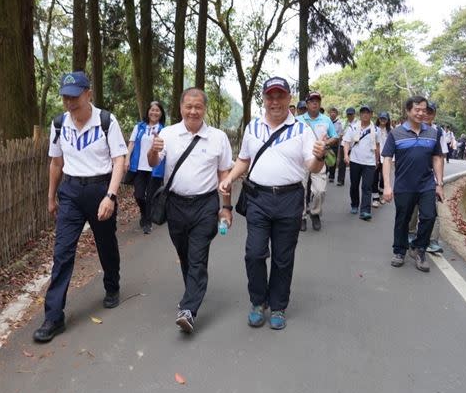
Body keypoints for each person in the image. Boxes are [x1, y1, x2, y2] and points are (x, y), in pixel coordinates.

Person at [219, 77, 325, 330]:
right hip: (258, 198)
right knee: (254, 253)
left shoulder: (301, 130)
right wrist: (230, 178)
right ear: (264, 100)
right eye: (270, 96)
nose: (275, 101)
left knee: (283, 257)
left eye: (280, 96)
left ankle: (278, 306)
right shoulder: (253, 127)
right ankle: (258, 301)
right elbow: (244, 160)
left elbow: (313, 165)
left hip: (290, 199)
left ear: (289, 99)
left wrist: (320, 157)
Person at [34, 72, 128, 343]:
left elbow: (119, 160)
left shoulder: (107, 122)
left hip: (100, 189)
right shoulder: (59, 124)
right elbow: (55, 163)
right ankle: (53, 317)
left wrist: (110, 196)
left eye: (75, 96)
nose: (70, 102)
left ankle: (112, 286)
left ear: (88, 94)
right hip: (71, 193)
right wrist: (52, 197)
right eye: (65, 97)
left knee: (106, 243)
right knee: (62, 252)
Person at [148, 88, 233, 334]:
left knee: (197, 255)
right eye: (189, 106)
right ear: (181, 108)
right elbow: (153, 163)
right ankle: (192, 292)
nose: (193, 111)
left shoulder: (218, 138)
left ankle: (188, 309)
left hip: (205, 205)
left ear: (204, 109)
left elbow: (224, 175)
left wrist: (226, 207)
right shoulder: (168, 133)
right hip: (175, 204)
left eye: (198, 107)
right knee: (184, 253)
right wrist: (153, 150)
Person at [380, 95, 444, 273]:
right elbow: (386, 159)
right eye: (417, 109)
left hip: (426, 185)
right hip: (404, 185)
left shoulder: (433, 133)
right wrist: (387, 185)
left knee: (429, 217)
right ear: (408, 111)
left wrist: (439, 183)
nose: (421, 113)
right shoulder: (396, 133)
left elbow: (437, 157)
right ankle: (399, 251)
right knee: (403, 219)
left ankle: (419, 248)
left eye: (424, 110)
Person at [296, 91, 338, 231]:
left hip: (319, 159)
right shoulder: (298, 120)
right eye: (312, 101)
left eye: (317, 101)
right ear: (307, 104)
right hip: (301, 160)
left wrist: (326, 144)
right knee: (300, 190)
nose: (315, 103)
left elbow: (335, 137)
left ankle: (315, 213)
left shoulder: (326, 120)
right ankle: (301, 216)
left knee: (320, 190)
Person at [408, 102, 444, 254]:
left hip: (430, 178)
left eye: (430, 112)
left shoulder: (438, 132)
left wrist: (439, 182)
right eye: (425, 111)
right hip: (413, 177)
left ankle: (432, 240)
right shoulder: (412, 129)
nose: (427, 114)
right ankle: (410, 233)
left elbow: (440, 157)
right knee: (413, 208)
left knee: (431, 211)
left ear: (434, 114)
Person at [125, 101, 166, 234]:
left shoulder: (164, 130)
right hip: (139, 167)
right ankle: (144, 213)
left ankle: (147, 222)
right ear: (148, 112)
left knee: (150, 198)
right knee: (139, 195)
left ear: (161, 114)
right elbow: (131, 144)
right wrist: (127, 159)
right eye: (152, 110)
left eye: (157, 110)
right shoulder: (139, 127)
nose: (154, 112)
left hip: (155, 168)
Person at [343, 105, 380, 221]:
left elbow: (377, 146)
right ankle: (354, 204)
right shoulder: (353, 128)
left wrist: (377, 159)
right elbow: (346, 142)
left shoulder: (376, 130)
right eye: (363, 112)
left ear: (371, 114)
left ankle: (365, 211)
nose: (365, 114)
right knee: (354, 185)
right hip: (355, 160)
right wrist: (345, 155)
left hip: (369, 162)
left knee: (367, 187)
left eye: (367, 112)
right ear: (360, 114)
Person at [372, 111, 391, 208]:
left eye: (385, 119)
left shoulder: (390, 131)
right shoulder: (374, 129)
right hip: (375, 155)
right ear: (378, 119)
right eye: (381, 118)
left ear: (388, 120)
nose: (383, 120)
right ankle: (375, 197)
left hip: (387, 157)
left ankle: (381, 192)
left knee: (384, 177)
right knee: (374, 177)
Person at [336, 107, 356, 186]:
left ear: (354, 114)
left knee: (353, 163)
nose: (349, 116)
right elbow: (340, 135)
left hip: (353, 145)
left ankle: (354, 180)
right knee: (342, 163)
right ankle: (340, 180)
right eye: (348, 114)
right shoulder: (343, 123)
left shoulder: (357, 123)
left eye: (351, 114)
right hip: (343, 144)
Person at [327, 107, 343, 183]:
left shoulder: (339, 124)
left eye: (334, 112)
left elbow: (340, 135)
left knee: (332, 160)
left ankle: (331, 176)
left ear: (336, 114)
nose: (333, 114)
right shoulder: (326, 121)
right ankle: (324, 173)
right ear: (329, 113)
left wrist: (335, 140)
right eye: (331, 112)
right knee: (325, 159)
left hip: (334, 144)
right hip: (326, 143)